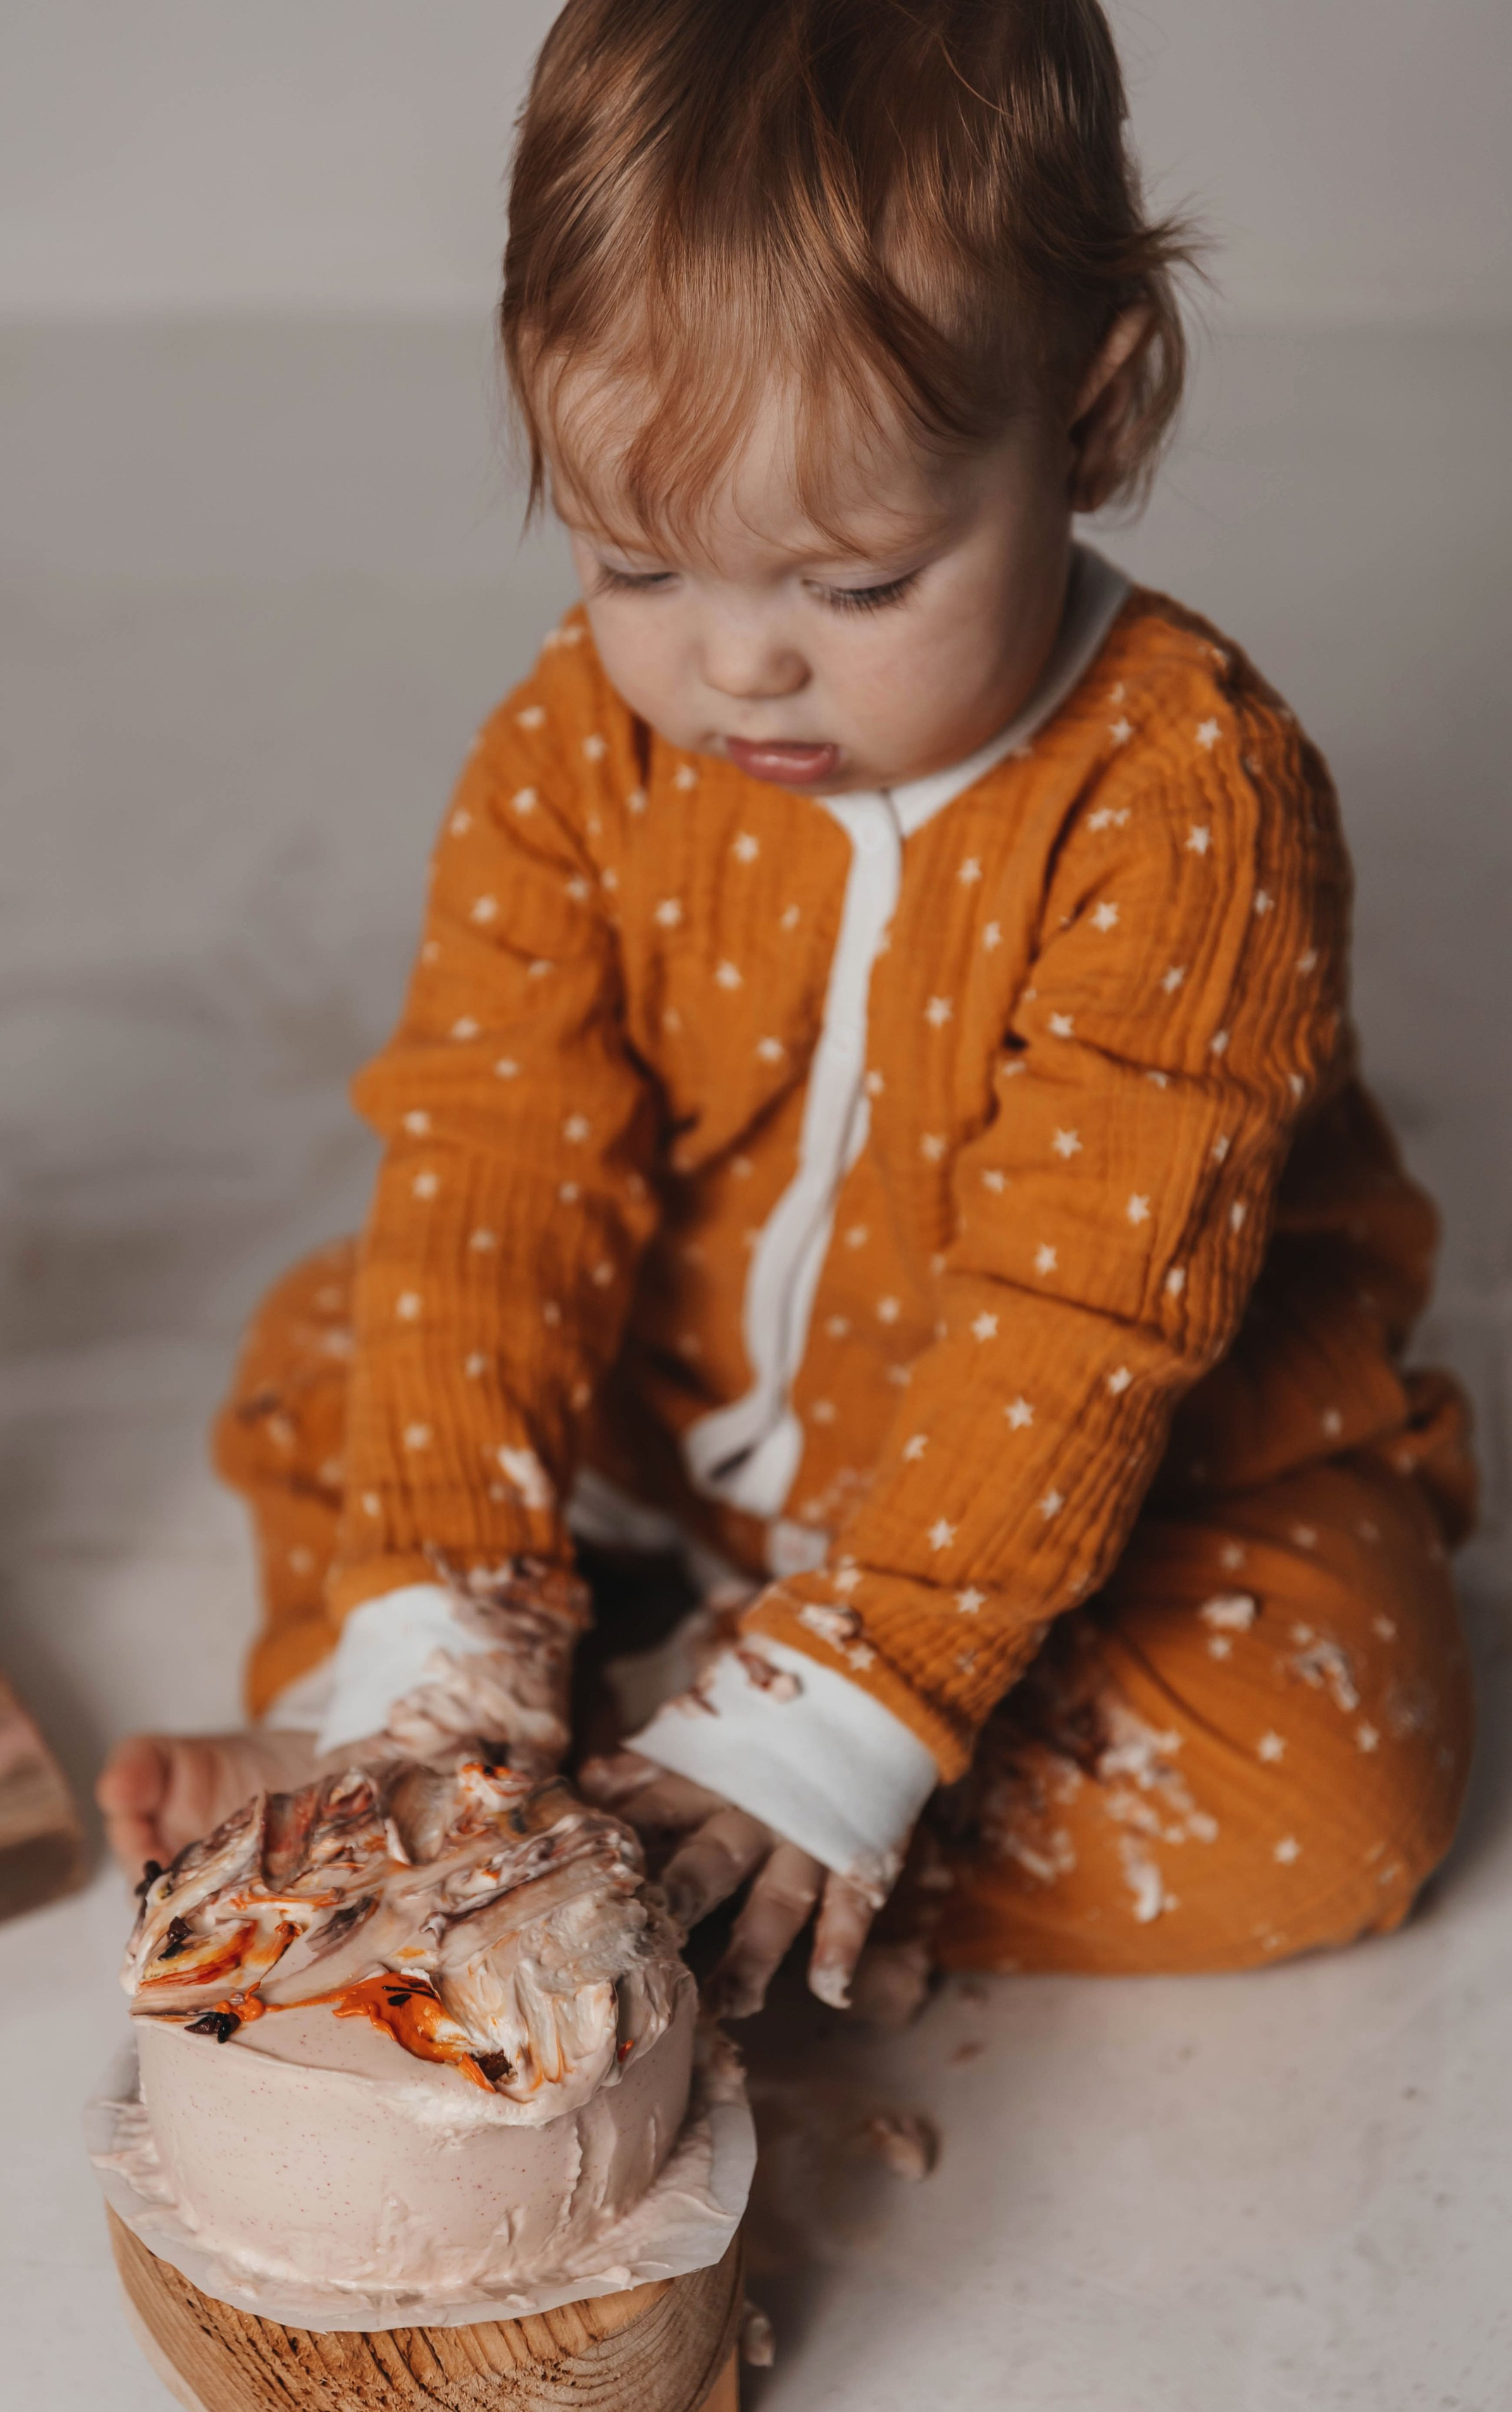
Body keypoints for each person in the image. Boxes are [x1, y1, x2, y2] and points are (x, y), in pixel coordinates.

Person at [99, 0, 1474, 2027]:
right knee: (348, 1355)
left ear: (1085, 420)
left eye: (854, 586)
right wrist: (433, 1630)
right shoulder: (577, 745)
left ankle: (737, 1839)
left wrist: (858, 1698)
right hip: (694, 1389)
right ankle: (441, 1744)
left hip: (1089, 1449)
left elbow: (1083, 1322)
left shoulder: (1186, 798)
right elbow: (502, 1149)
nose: (739, 666)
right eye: (637, 558)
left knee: (1343, 1788)